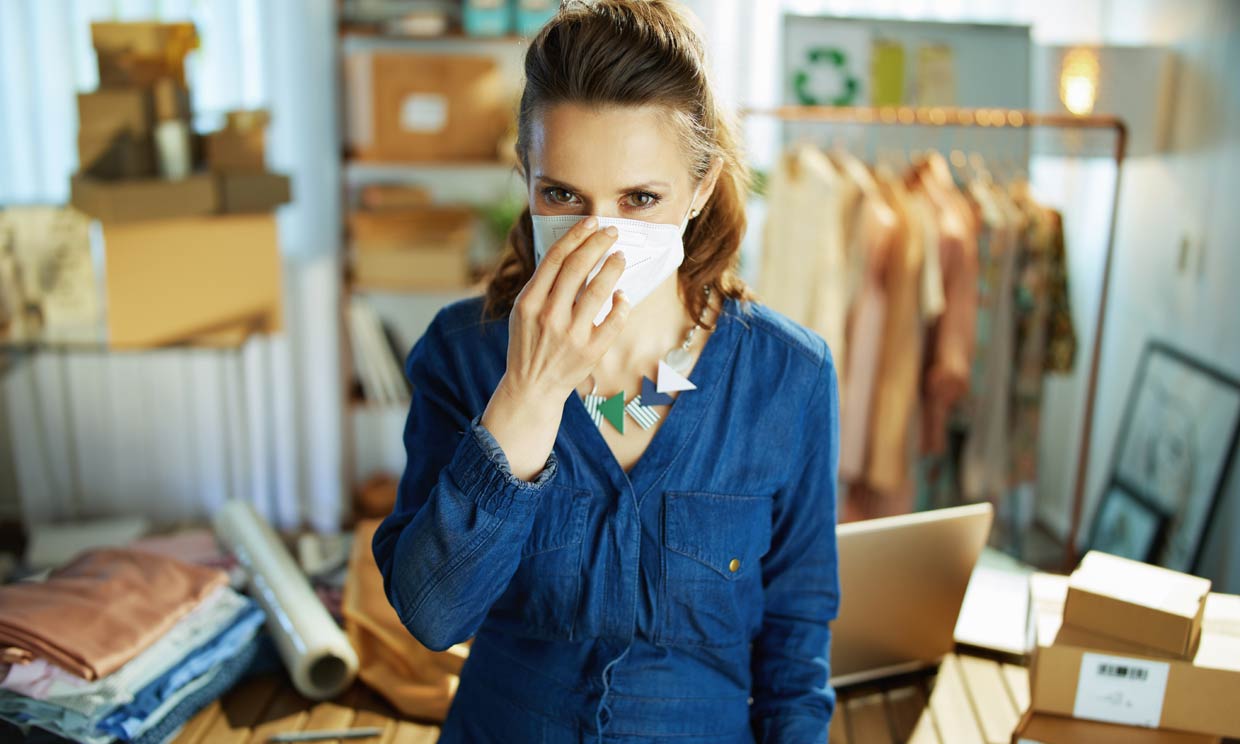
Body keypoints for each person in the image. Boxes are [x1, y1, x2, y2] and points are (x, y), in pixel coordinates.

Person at [371, 1, 841, 741]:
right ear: (526, 179)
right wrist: (526, 394)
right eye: (563, 195)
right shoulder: (460, 356)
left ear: (698, 190)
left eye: (639, 199)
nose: (597, 234)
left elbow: (796, 639)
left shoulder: (789, 376)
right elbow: (433, 615)